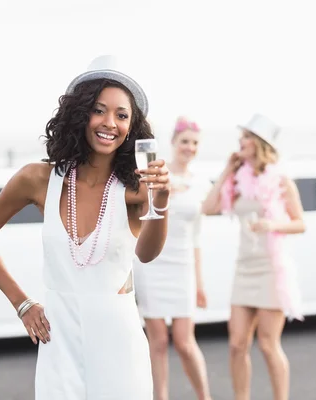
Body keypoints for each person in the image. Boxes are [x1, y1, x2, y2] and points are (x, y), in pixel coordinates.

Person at [0, 55, 170, 400]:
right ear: (80, 113)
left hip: (118, 343)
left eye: (122, 115)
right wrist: (23, 304)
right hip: (60, 343)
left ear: (131, 127)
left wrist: (162, 199)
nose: (110, 123)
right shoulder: (37, 179)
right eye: (99, 110)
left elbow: (147, 255)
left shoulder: (135, 188)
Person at [201, 113, 306, 400]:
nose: (240, 142)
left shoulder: (282, 182)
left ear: (260, 143)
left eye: (246, 137)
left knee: (268, 345)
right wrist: (225, 171)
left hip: (271, 269)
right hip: (244, 268)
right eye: (241, 137)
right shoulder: (236, 180)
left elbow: (300, 223)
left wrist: (273, 225)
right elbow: (208, 208)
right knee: (236, 344)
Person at [134, 116, 213, 400]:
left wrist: (200, 283)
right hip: (153, 262)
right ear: (173, 143)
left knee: (184, 341)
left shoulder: (202, 183)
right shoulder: (156, 171)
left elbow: (197, 239)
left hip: (183, 265)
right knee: (157, 340)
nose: (189, 147)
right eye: (184, 141)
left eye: (194, 143)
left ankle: (205, 396)